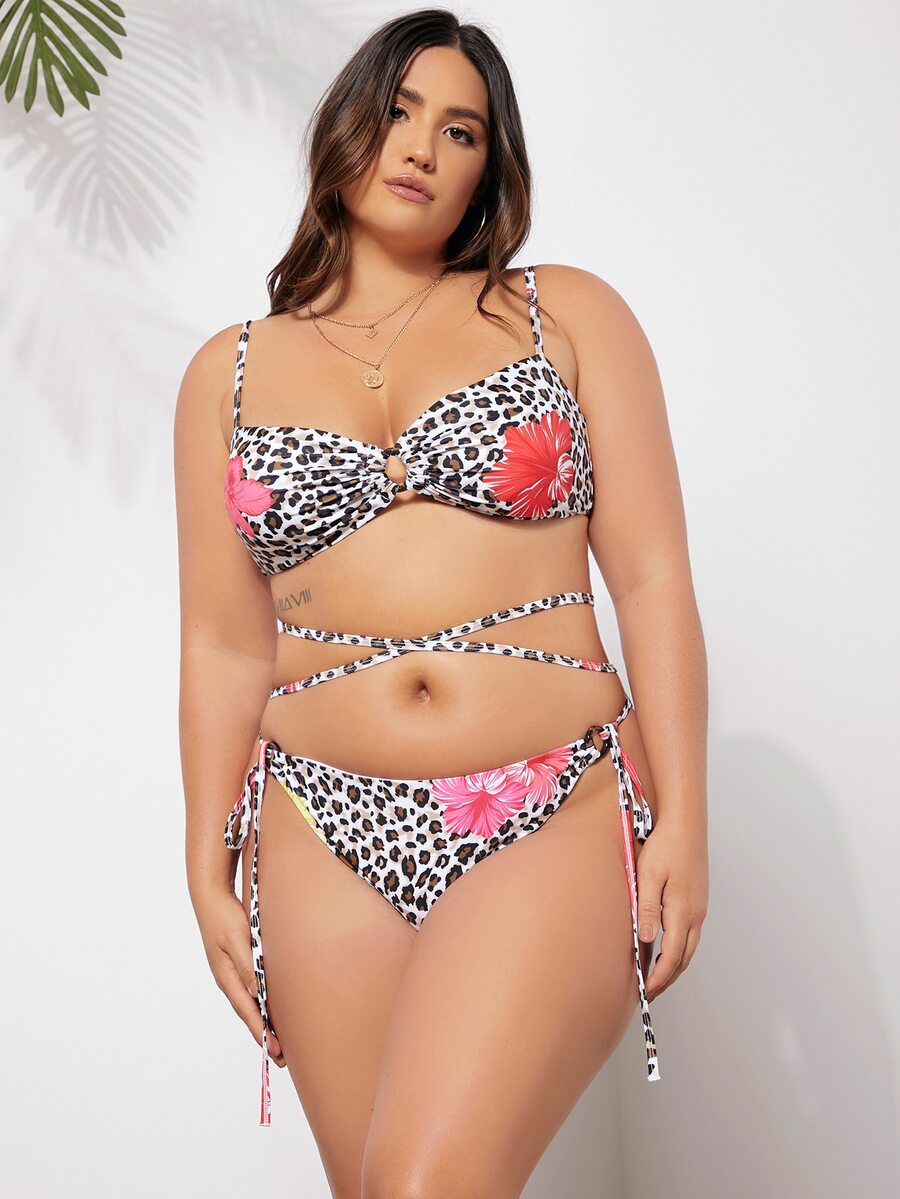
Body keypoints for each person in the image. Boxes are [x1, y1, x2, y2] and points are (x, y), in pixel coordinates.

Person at [174, 8, 709, 1196]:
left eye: (461, 131)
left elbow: (653, 576)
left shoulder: (564, 314)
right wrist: (206, 859)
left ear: (487, 170)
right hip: (316, 821)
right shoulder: (230, 373)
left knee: (428, 1181)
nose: (421, 146)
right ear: (345, 125)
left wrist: (685, 815)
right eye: (400, 111)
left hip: (554, 796)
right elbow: (220, 641)